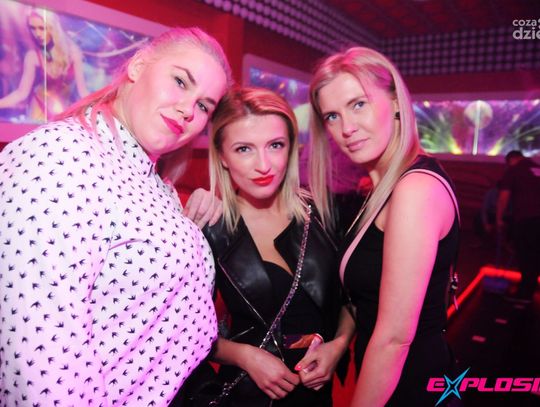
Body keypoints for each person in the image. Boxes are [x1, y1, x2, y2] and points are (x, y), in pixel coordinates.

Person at [0, 27, 232, 406]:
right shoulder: (61, 156)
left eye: (204, 105)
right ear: (138, 66)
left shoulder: (152, 181)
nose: (188, 110)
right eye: (179, 81)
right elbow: (40, 358)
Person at [308, 47, 460, 406]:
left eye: (358, 104)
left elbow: (394, 340)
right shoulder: (379, 189)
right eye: (332, 116)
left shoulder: (415, 190)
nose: (346, 128)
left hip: (412, 388)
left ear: (395, 103)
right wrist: (340, 343)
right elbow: (368, 298)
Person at [193, 87, 354, 406]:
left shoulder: (324, 215)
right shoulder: (210, 229)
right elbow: (182, 330)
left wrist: (338, 346)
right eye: (244, 149)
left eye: (275, 145)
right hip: (246, 395)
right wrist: (245, 356)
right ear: (222, 156)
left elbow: (352, 299)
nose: (263, 165)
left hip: (316, 395)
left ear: (291, 148)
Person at [0, 9, 88, 122]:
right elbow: (21, 93)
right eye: (33, 28)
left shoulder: (73, 53)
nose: (37, 34)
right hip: (38, 109)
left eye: (42, 28)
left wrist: (100, 106)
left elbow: (82, 91)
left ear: (52, 28)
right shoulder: (32, 56)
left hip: (64, 109)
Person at [496, 150, 540, 303]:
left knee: (525, 255)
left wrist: (499, 218)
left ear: (511, 160)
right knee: (535, 255)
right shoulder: (537, 168)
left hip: (525, 219)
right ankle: (529, 287)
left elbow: (503, 197)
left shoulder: (514, 170)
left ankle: (524, 293)